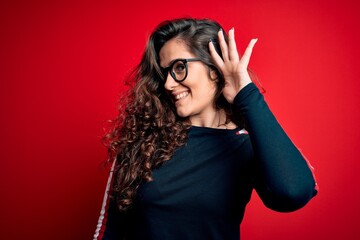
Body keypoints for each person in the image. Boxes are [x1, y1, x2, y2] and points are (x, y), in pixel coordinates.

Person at [93, 18, 318, 240]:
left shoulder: (247, 144)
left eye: (179, 67)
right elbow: (109, 229)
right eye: (164, 74)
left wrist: (246, 93)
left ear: (214, 66)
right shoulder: (145, 141)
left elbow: (293, 192)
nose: (168, 84)